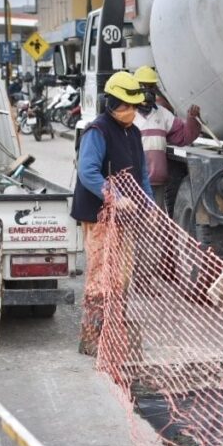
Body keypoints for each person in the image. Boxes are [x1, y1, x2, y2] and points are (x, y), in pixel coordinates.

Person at [72, 70, 152, 356]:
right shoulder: (98, 131)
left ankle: (114, 327)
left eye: (135, 106)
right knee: (100, 274)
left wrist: (148, 207)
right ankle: (94, 335)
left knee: (122, 276)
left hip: (125, 218)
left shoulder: (133, 133)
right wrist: (115, 198)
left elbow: (141, 174)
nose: (132, 111)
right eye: (126, 106)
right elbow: (88, 172)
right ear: (112, 103)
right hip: (100, 217)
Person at [132, 66, 201, 210]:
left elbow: (184, 137)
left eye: (150, 86)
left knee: (154, 225)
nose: (147, 90)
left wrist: (192, 120)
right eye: (142, 86)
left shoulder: (163, 114)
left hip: (157, 183)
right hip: (134, 183)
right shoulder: (128, 115)